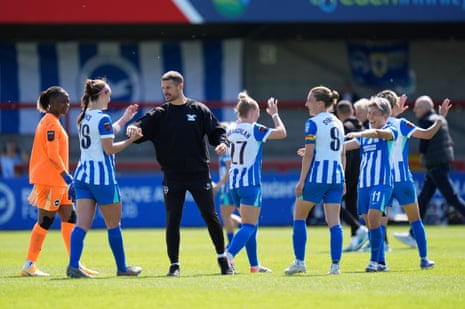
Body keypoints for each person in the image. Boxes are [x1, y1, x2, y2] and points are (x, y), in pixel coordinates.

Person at [126, 70, 234, 276]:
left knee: (210, 217)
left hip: (199, 174)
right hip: (172, 175)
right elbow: (140, 126)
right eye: (163, 88)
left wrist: (222, 143)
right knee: (173, 219)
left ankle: (222, 259)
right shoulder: (160, 114)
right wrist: (133, 128)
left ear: (180, 86)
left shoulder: (199, 110)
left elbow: (217, 132)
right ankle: (174, 265)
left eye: (168, 88)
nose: (165, 92)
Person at [67, 78, 143, 278]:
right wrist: (131, 139)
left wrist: (125, 118)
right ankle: (122, 267)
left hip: (82, 177)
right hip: (103, 179)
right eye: (108, 93)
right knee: (114, 224)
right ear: (101, 95)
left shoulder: (82, 117)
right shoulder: (103, 118)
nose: (110, 97)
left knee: (82, 224)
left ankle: (73, 266)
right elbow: (109, 148)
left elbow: (106, 134)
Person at [21, 86, 97, 277]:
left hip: (57, 182)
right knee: (45, 221)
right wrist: (66, 175)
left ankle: (75, 263)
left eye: (68, 101)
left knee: (70, 218)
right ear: (51, 104)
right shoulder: (50, 124)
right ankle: (29, 264)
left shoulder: (52, 121)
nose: (67, 105)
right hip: (52, 180)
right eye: (63, 101)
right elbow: (52, 154)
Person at [376, 90, 448, 270]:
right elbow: (428, 134)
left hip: (384, 180)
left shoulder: (375, 127)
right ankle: (424, 259)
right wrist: (441, 117)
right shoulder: (401, 124)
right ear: (394, 106)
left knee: (380, 223)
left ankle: (380, 262)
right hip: (402, 180)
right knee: (415, 220)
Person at [284, 86, 345, 275]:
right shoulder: (338, 122)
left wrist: (301, 181)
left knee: (299, 216)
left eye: (309, 100)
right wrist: (344, 179)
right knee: (334, 222)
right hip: (337, 176)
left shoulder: (313, 123)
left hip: (318, 176)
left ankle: (300, 261)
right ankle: (335, 266)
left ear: (319, 103)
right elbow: (341, 152)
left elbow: (309, 154)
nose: (306, 103)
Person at [225, 92, 287, 273]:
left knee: (250, 225)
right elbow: (282, 133)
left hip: (234, 184)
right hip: (250, 184)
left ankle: (254, 265)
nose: (259, 114)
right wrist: (274, 114)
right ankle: (227, 256)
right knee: (250, 225)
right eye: (258, 111)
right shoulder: (254, 129)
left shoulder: (231, 130)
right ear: (251, 112)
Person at [394, 95, 465, 247]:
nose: (415, 110)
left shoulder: (427, 120)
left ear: (425, 108)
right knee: (423, 199)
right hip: (440, 164)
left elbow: (424, 144)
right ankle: (413, 234)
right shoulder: (439, 119)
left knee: (451, 198)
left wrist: (421, 153)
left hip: (435, 165)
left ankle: (413, 234)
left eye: (418, 107)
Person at [344, 97, 397, 272]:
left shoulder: (389, 130)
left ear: (385, 115)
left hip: (381, 183)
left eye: (375, 114)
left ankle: (374, 261)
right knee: (370, 224)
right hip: (364, 185)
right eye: (369, 113)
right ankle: (382, 262)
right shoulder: (366, 134)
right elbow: (343, 147)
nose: (371, 117)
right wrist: (318, 151)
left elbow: (378, 134)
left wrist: (359, 133)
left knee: (374, 219)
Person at [334, 100, 368, 252]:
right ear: (352, 112)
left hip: (346, 171)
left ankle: (357, 228)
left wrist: (342, 172)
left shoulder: (344, 127)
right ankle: (356, 239)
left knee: (331, 202)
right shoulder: (361, 127)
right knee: (351, 205)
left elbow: (344, 151)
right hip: (359, 171)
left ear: (339, 114)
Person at [213, 122, 242, 249]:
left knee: (225, 215)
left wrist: (218, 186)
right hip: (228, 187)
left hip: (228, 188)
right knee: (227, 215)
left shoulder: (227, 149)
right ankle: (246, 229)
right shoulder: (228, 148)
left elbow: (230, 170)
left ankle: (231, 243)